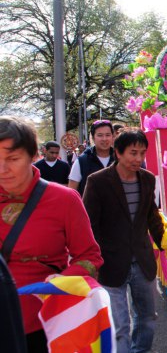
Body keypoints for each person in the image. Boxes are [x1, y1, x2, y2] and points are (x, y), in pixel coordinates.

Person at [0, 116, 103, 352]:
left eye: (12, 159)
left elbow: (90, 258)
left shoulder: (64, 199)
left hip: (44, 324)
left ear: (33, 155)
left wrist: (61, 282)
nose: (2, 169)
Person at [83, 127, 165, 353]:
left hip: (142, 260)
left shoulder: (148, 179)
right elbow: (89, 224)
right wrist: (92, 261)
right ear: (118, 152)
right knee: (119, 324)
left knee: (147, 318)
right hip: (110, 263)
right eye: (133, 152)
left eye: (142, 153)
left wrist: (165, 245)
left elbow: (152, 216)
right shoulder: (97, 181)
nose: (138, 159)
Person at [68, 120, 115, 196]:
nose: (104, 139)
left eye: (108, 135)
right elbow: (71, 192)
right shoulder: (81, 162)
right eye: (100, 135)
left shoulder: (120, 159)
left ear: (113, 137)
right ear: (93, 138)